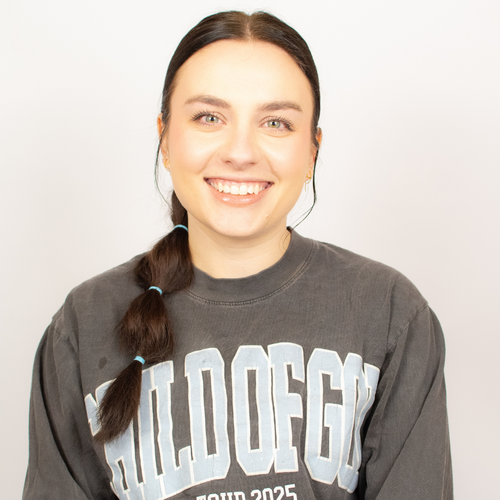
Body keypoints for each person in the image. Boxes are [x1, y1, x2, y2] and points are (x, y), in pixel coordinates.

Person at [23, 10, 453, 500]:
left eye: (276, 122)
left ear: (312, 151)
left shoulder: (390, 313)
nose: (241, 152)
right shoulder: (83, 324)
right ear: (165, 139)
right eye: (209, 117)